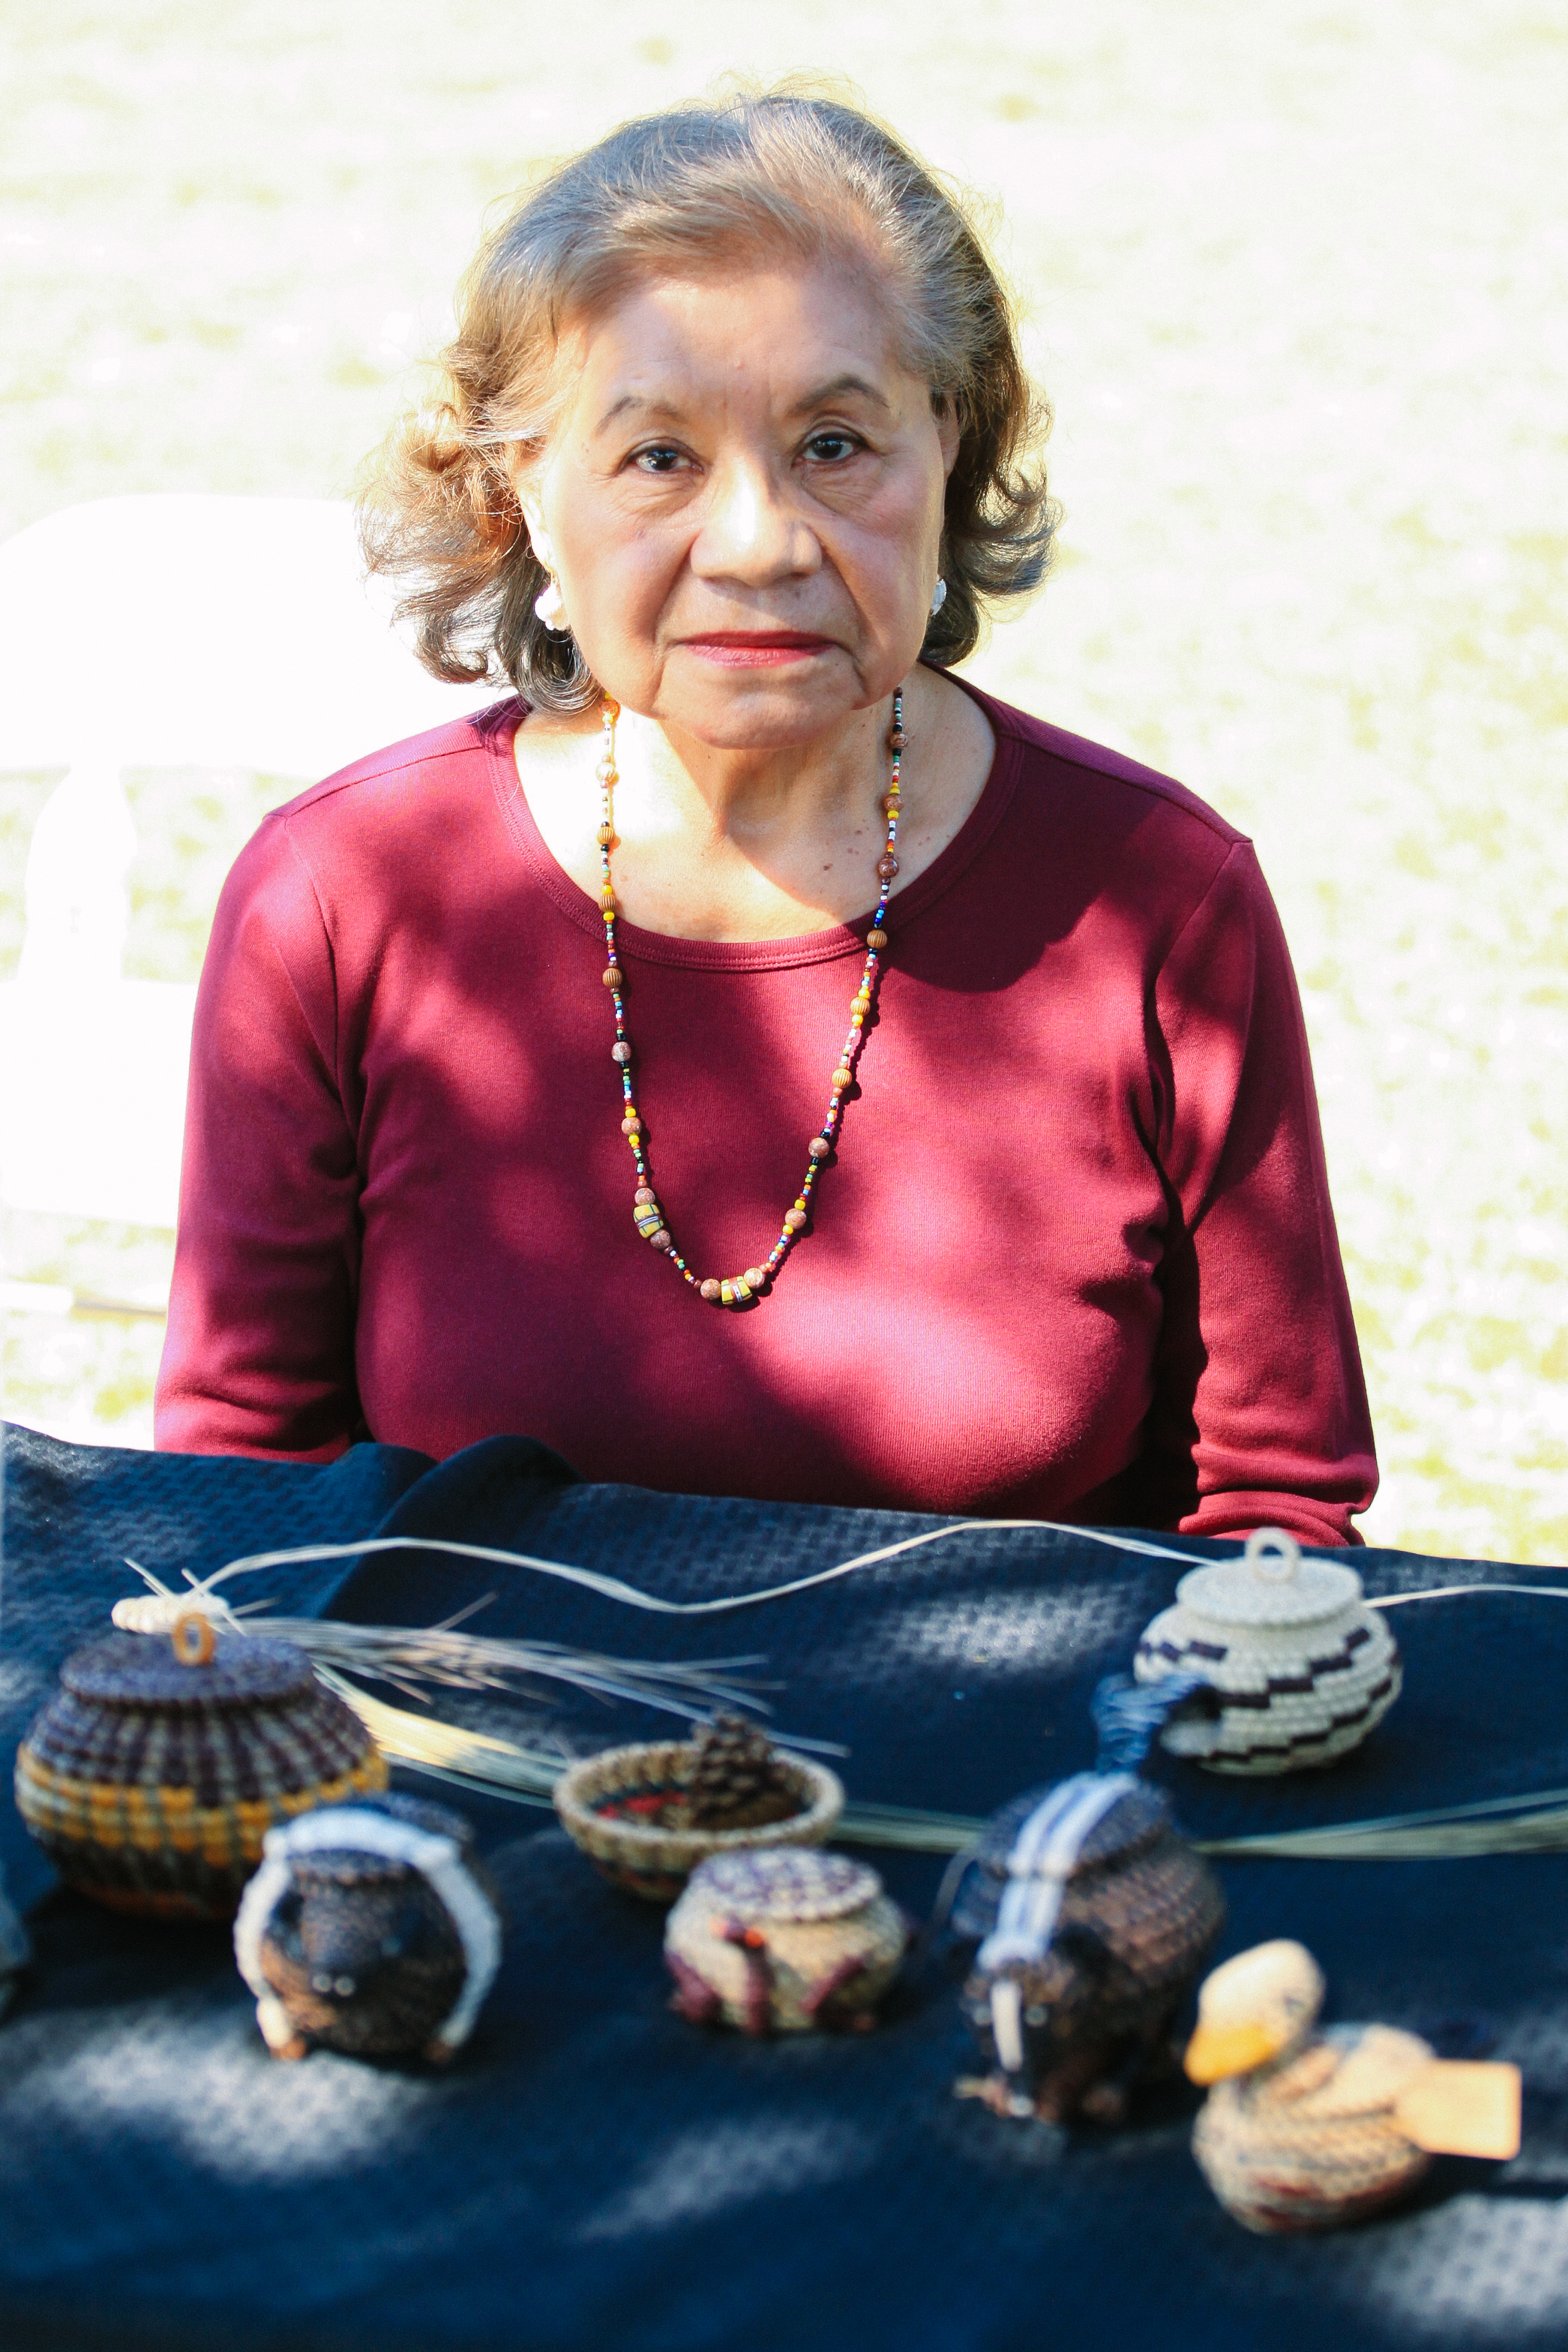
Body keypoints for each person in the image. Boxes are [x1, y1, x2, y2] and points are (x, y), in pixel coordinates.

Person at [155, 92, 1377, 1546]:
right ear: (525, 495)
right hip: (460, 1751)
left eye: (836, 443)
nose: (758, 542)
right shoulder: (341, 901)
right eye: (657, 456)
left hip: (1006, 1764)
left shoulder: (1153, 902)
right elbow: (240, 1499)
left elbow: (1271, 1512)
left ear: (951, 451)